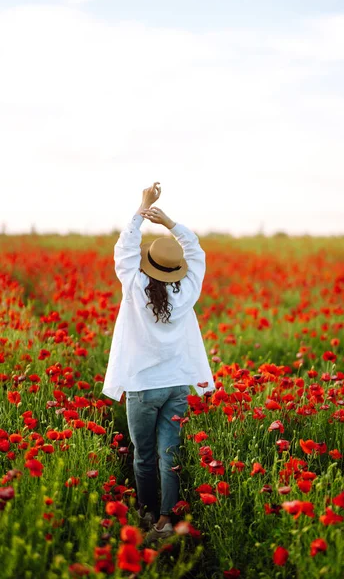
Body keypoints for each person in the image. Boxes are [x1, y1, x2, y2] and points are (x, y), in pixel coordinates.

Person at [101, 182, 216, 544]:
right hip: (177, 383)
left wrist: (143, 207)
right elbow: (196, 252)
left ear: (147, 263)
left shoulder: (135, 287)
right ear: (176, 269)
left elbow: (123, 249)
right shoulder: (187, 291)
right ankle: (167, 517)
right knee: (171, 453)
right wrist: (170, 223)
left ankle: (147, 512)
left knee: (144, 455)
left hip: (142, 385)